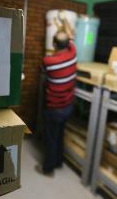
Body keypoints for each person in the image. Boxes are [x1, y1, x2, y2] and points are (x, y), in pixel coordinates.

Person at [37, 28, 77, 176]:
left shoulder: (48, 60)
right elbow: (72, 42)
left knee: (50, 138)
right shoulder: (73, 54)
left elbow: (43, 71)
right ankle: (59, 162)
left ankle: (48, 169)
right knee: (59, 134)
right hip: (68, 107)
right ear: (67, 44)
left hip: (53, 109)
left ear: (54, 44)